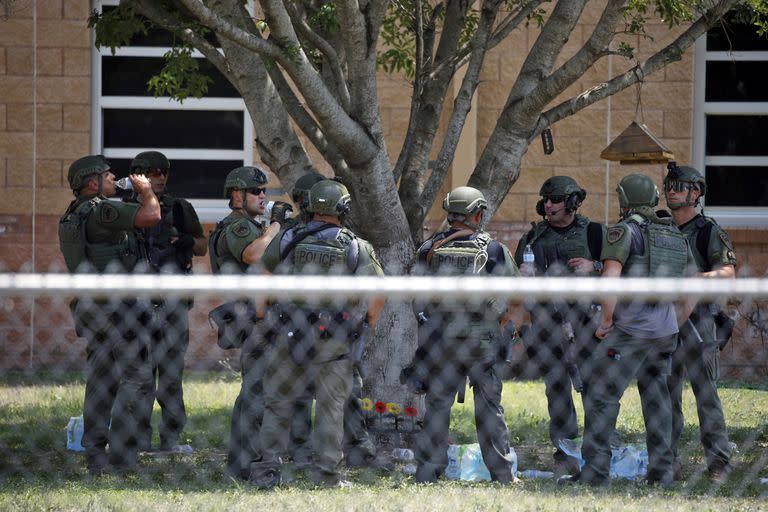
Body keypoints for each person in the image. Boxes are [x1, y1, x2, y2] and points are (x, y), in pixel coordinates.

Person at [562, 174, 695, 487]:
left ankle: (594, 474)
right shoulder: (673, 233)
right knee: (658, 398)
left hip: (630, 332)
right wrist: (676, 321)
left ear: (624, 199)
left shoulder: (624, 230)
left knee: (601, 397)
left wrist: (606, 321)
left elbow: (611, 277)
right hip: (664, 333)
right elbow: (692, 285)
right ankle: (662, 474)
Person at [252, 179, 386, 489]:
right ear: (343, 208)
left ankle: (267, 471)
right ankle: (327, 475)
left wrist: (261, 315)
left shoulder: (288, 237)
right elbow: (379, 290)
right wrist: (370, 320)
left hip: (289, 331)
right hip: (335, 337)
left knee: (278, 403)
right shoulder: (354, 245)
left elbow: (263, 275)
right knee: (331, 406)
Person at [409, 186, 520, 484]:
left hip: (440, 341)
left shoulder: (428, 249)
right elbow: (515, 295)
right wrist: (503, 325)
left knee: (436, 407)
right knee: (489, 408)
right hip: (482, 341)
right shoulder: (493, 250)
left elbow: (416, 295)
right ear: (478, 214)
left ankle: (428, 471)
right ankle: (502, 474)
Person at [58, 154, 161, 474]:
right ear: (92, 183)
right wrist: (145, 190)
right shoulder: (102, 209)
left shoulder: (72, 214)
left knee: (101, 380)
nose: (114, 176)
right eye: (107, 175)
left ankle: (94, 452)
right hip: (118, 310)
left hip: (94, 307)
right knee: (137, 377)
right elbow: (151, 216)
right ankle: (122, 455)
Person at [513, 176, 605, 473]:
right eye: (546, 200)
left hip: (586, 322)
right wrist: (524, 275)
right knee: (556, 387)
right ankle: (565, 451)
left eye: (555, 200)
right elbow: (517, 282)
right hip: (546, 323)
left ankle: (598, 447)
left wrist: (596, 266)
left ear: (572, 202)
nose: (548, 205)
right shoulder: (533, 238)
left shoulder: (594, 233)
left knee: (593, 385)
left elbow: (619, 269)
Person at [208, 165, 292, 480]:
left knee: (255, 393)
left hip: (263, 317)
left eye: (264, 191)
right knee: (257, 394)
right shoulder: (237, 226)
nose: (262, 196)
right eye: (255, 191)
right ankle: (250, 464)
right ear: (236, 195)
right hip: (254, 319)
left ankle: (244, 463)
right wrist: (275, 225)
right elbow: (254, 254)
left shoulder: (252, 224)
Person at [128, 151, 207, 453]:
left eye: (164, 172)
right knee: (140, 376)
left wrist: (187, 241)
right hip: (138, 305)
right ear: (138, 176)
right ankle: (138, 440)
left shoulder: (180, 208)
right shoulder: (124, 210)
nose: (160, 177)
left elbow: (201, 245)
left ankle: (171, 439)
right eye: (153, 172)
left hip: (173, 305)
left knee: (171, 376)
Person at [663, 163, 736, 481]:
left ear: (696, 193)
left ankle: (718, 461)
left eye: (679, 186)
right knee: (665, 395)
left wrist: (695, 279)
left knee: (705, 394)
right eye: (668, 185)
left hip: (699, 322)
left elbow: (727, 273)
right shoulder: (661, 228)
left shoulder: (708, 230)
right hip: (663, 321)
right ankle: (668, 460)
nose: (671, 190)